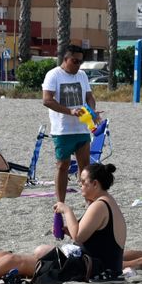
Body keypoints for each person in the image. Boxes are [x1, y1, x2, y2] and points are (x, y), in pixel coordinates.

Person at [0, 163, 125, 283]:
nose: (80, 187)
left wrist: (67, 210)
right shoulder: (105, 202)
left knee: (15, 261)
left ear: (95, 184)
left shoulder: (100, 205)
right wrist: (68, 229)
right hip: (98, 264)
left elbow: (79, 235)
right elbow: (88, 236)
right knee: (34, 254)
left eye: (83, 183)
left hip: (94, 268)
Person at [41, 43, 95, 203]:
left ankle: (89, 202)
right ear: (65, 59)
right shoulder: (53, 75)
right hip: (62, 130)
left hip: (82, 128)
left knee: (85, 168)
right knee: (63, 166)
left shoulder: (82, 76)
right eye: (75, 61)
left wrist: (91, 111)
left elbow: (89, 97)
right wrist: (70, 111)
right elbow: (47, 100)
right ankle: (60, 203)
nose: (78, 65)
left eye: (81, 62)